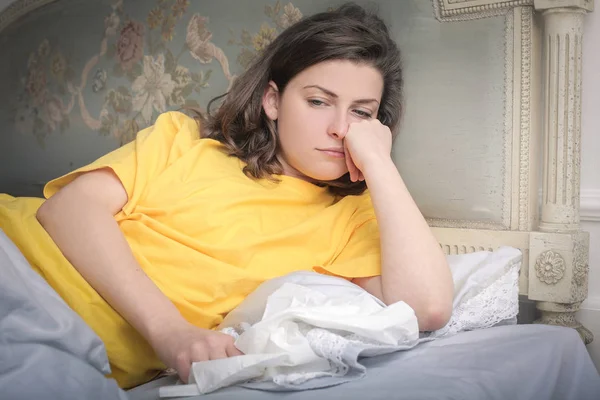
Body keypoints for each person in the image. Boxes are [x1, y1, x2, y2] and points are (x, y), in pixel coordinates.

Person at [0, 2, 453, 390]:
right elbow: (68, 209)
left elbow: (429, 307)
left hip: (56, 343)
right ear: (273, 102)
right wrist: (172, 332)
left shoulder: (351, 219)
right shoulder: (182, 139)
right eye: (318, 101)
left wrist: (380, 165)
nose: (339, 127)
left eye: (361, 112)